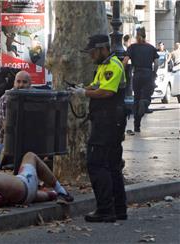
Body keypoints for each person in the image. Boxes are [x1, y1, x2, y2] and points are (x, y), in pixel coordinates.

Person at [70, 34, 127, 222]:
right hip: (109, 121)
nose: (91, 56)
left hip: (108, 122)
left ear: (104, 49)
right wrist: (81, 87)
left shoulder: (113, 65)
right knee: (112, 166)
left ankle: (105, 209)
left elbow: (107, 91)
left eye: (93, 52)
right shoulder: (104, 66)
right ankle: (118, 209)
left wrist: (84, 93)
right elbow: (97, 85)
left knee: (96, 163)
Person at [0, 70, 32, 168]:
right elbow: (9, 130)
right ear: (14, 83)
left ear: (30, 84)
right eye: (18, 81)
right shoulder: (6, 99)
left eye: (24, 82)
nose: (21, 85)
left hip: (26, 143)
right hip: (7, 144)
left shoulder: (34, 98)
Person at [123, 27, 159, 132]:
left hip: (137, 74)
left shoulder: (132, 47)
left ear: (136, 36)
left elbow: (125, 61)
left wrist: (122, 71)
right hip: (148, 74)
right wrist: (154, 72)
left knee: (136, 100)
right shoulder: (151, 48)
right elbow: (156, 63)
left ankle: (136, 126)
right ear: (145, 36)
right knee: (146, 97)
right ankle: (145, 103)